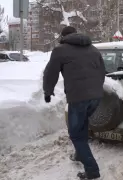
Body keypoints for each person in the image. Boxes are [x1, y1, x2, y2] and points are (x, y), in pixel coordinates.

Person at [43, 26, 105, 180]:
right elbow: (102, 72)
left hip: (78, 98)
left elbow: (51, 73)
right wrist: (96, 91)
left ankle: (92, 171)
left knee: (76, 135)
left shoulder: (60, 50)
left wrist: (48, 91)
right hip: (96, 97)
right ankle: (79, 155)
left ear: (63, 36)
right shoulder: (93, 49)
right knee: (82, 126)